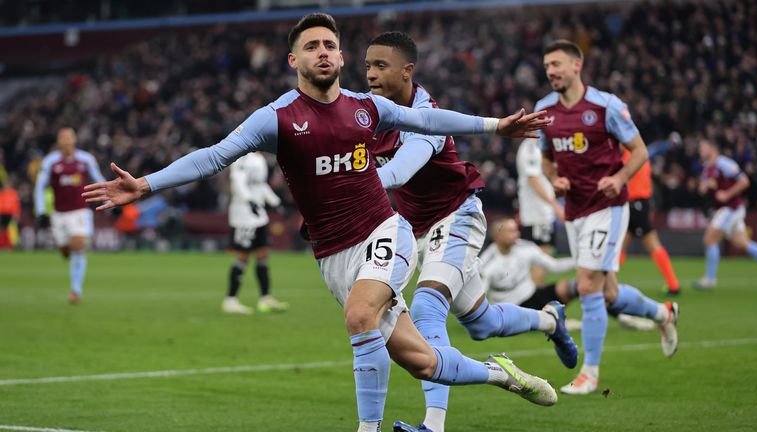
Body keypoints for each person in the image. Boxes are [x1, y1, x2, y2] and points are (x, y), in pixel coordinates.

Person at [83, 13, 557, 432]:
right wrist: (145, 184)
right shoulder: (277, 119)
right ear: (294, 60)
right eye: (312, 46)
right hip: (333, 256)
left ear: (342, 56)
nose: (322, 52)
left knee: (359, 316)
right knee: (421, 362)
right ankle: (501, 374)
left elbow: (431, 121)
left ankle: (366, 428)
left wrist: (497, 125)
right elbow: (213, 157)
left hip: (385, 232)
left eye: (329, 45)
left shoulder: (366, 108)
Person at [365, 32, 577, 432]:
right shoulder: (371, 114)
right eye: (367, 66)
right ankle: (551, 320)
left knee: (427, 309)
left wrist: (353, 186)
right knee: (481, 323)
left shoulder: (424, 115)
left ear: (407, 71)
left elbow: (400, 170)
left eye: (381, 66)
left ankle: (433, 425)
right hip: (415, 227)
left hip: (456, 215)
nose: (371, 74)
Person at [536, 40, 679, 395]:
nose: (551, 71)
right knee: (608, 293)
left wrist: (619, 178)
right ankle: (665, 314)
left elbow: (640, 151)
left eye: (556, 64)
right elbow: (546, 158)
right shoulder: (544, 110)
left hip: (608, 207)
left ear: (576, 65)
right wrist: (555, 180)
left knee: (586, 284)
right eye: (547, 66)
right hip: (575, 210)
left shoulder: (606, 106)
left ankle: (591, 373)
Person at [481, 218, 655, 332]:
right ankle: (557, 321)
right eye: (511, 231)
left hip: (534, 295)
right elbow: (480, 295)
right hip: (513, 308)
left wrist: (580, 260)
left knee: (581, 286)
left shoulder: (525, 248)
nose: (516, 234)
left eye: (516, 230)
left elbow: (554, 266)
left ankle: (624, 317)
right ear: (498, 236)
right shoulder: (487, 262)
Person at [34, 127, 106, 303]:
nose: (66, 141)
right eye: (63, 138)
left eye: (69, 138)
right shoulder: (50, 162)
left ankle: (75, 291)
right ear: (58, 141)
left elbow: (99, 179)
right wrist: (42, 211)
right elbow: (39, 186)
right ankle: (67, 253)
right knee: (66, 251)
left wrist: (109, 200)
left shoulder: (86, 159)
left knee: (78, 245)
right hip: (59, 215)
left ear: (75, 140)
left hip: (80, 211)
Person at [693, 138, 757, 288]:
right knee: (743, 244)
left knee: (710, 239)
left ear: (712, 148)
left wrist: (727, 194)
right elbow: (709, 186)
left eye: (703, 147)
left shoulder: (724, 163)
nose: (700, 151)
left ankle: (709, 280)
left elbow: (744, 181)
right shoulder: (707, 168)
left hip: (731, 209)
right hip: (726, 210)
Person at [223, 152, 288, 314]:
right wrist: (248, 201)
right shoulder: (242, 157)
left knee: (263, 253)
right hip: (244, 215)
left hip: (259, 215)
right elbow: (238, 182)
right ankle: (230, 300)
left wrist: (276, 203)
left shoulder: (259, 159)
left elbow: (260, 185)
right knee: (243, 256)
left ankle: (265, 298)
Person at [618, 149, 680, 295]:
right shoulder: (640, 154)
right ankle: (606, 283)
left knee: (650, 244)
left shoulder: (628, 158)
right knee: (621, 245)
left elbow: (623, 182)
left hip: (635, 204)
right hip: (640, 203)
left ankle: (673, 285)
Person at [516, 138, 564, 286]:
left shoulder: (538, 146)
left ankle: (531, 301)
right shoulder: (531, 146)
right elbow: (533, 178)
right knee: (541, 259)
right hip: (537, 214)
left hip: (539, 213)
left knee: (541, 258)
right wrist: (555, 205)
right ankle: (535, 304)